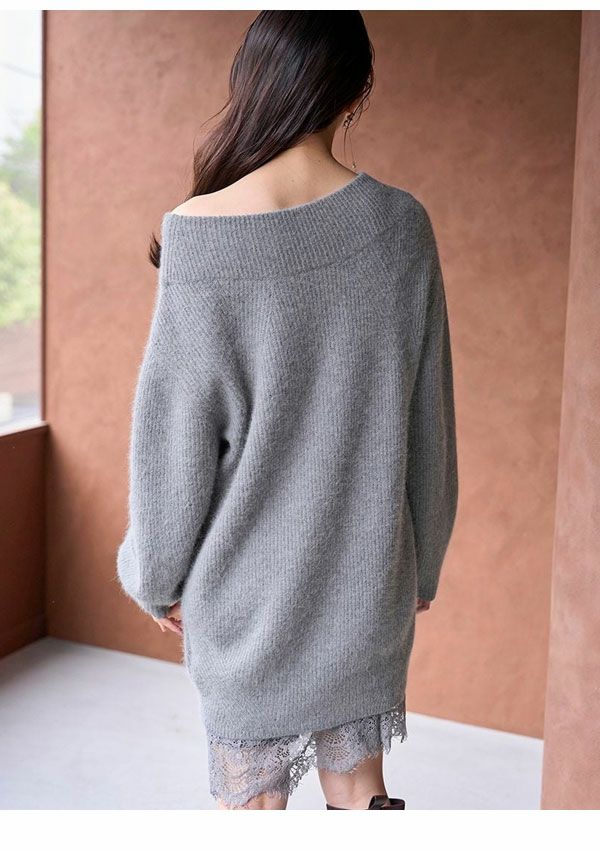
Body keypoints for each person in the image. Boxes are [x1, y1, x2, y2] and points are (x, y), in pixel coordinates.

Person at [117, 10, 458, 810]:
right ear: (357, 91)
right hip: (367, 583)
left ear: (254, 83)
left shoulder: (197, 232)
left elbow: (175, 438)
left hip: (243, 600)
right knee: (362, 789)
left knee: (254, 807)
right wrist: (423, 560)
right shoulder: (401, 225)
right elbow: (429, 422)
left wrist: (156, 575)